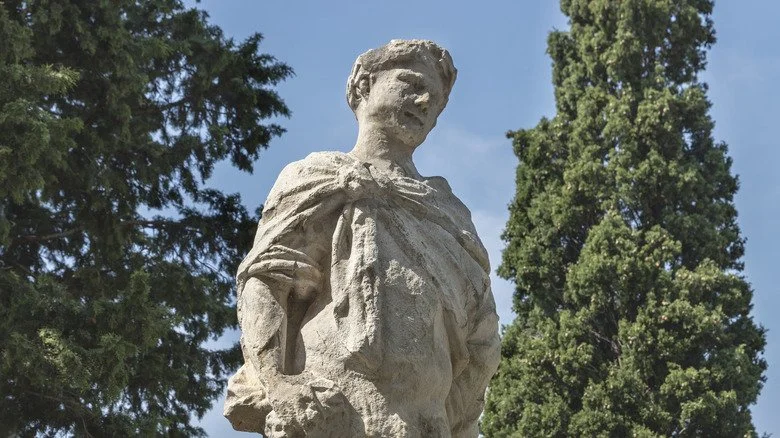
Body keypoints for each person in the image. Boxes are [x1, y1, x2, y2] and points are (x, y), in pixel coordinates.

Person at [224, 39, 500, 438]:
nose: (424, 101)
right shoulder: (315, 178)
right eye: (409, 82)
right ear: (364, 85)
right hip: (332, 411)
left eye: (436, 101)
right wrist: (277, 383)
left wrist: (444, 412)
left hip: (425, 422)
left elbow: (482, 334)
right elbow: (267, 281)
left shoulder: (448, 213)